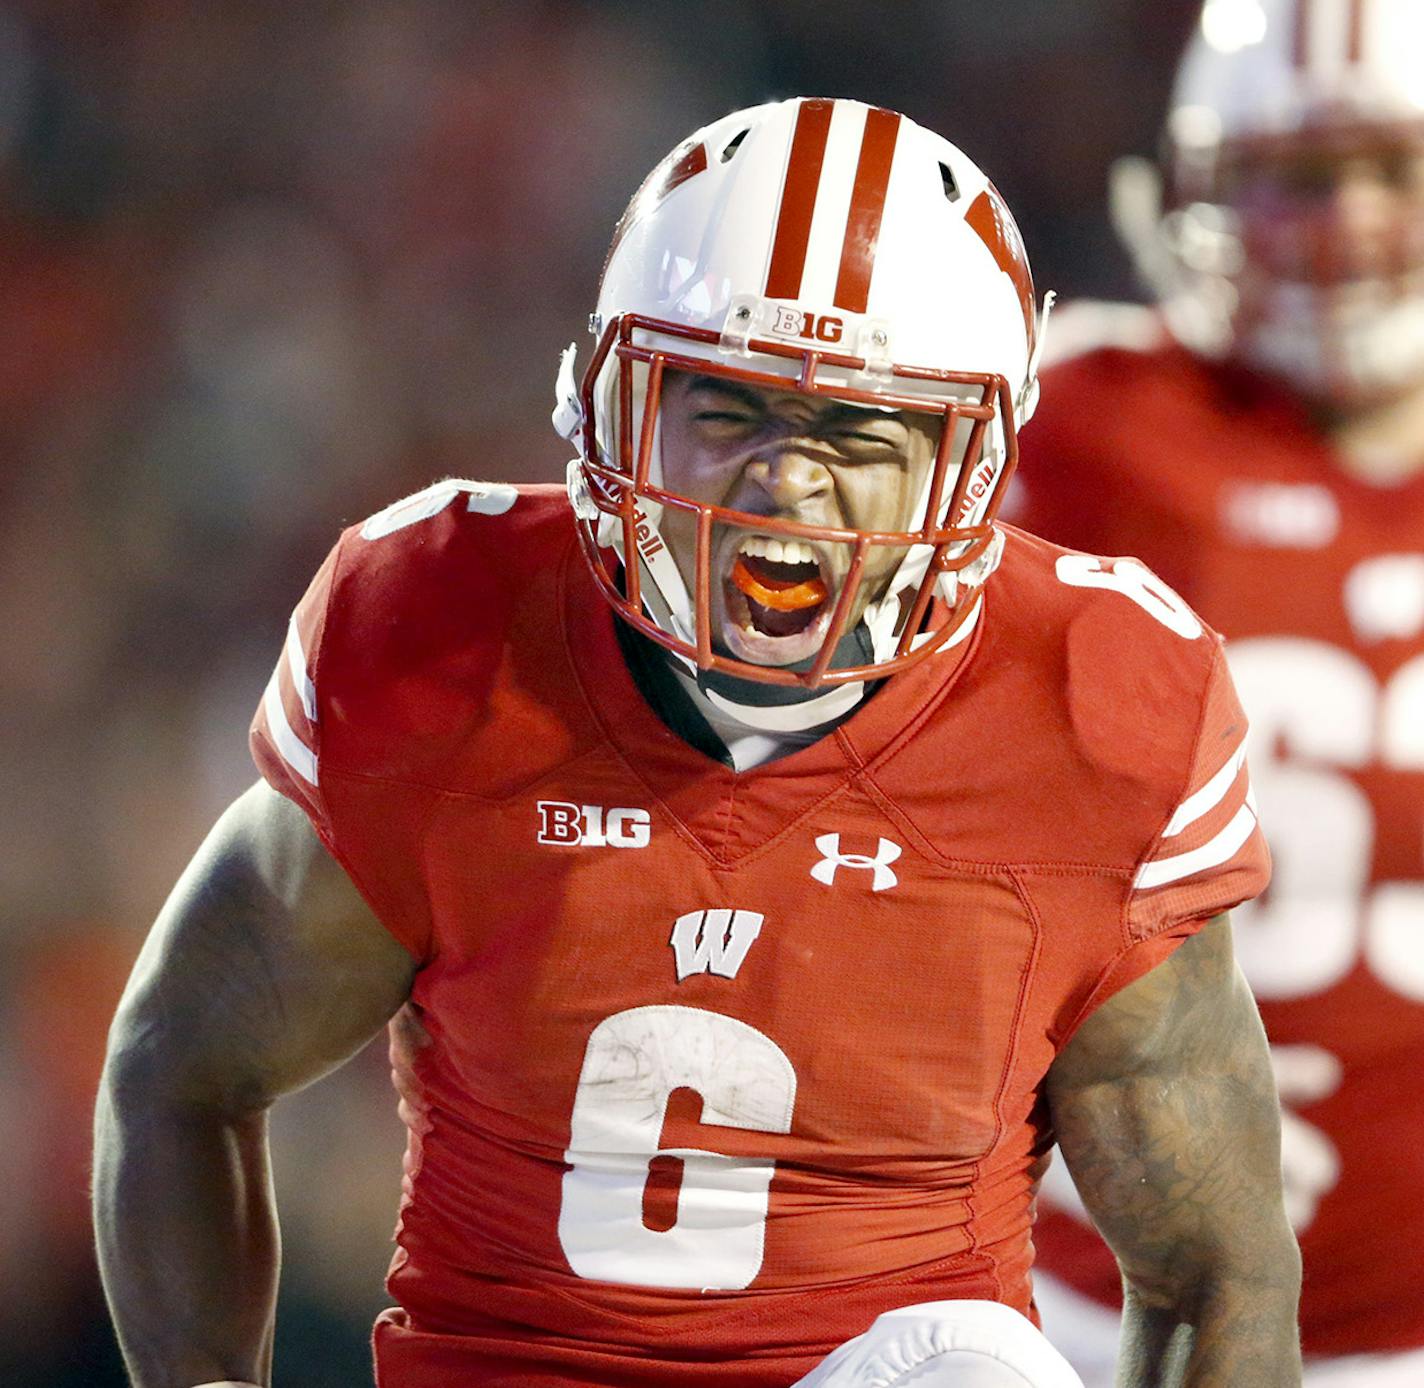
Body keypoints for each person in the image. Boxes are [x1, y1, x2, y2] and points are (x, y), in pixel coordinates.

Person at [93, 97, 1301, 1388]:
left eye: (861, 432)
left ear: (975, 460)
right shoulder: (443, 638)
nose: (786, 481)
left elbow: (1213, 1267)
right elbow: (179, 1071)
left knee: (968, 1372)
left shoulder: (1089, 711)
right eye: (726, 411)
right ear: (615, 403)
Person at [1009, 2, 1424, 1384]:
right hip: (1091, 1304)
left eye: (1393, 168)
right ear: (1196, 193)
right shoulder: (1079, 432)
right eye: (1298, 175)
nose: (1350, 222)